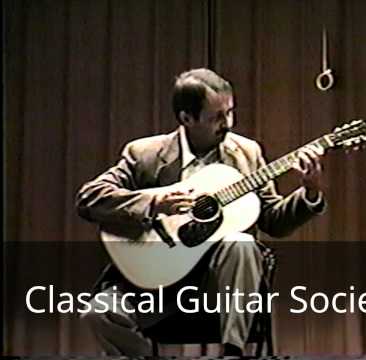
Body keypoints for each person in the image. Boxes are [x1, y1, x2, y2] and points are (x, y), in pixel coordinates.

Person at [76, 68, 327, 356]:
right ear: (186, 118)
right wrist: (155, 203)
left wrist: (309, 192)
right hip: (151, 279)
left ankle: (233, 353)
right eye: (217, 117)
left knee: (241, 243)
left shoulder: (247, 154)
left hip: (217, 283)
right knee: (97, 314)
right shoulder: (143, 154)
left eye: (230, 112)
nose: (228, 123)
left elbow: (273, 221)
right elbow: (90, 198)